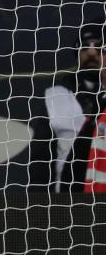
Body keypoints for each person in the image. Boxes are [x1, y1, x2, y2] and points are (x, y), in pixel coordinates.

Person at [45, 23, 106, 192]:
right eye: (85, 46)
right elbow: (41, 160)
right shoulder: (55, 96)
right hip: (70, 196)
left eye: (100, 47)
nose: (92, 53)